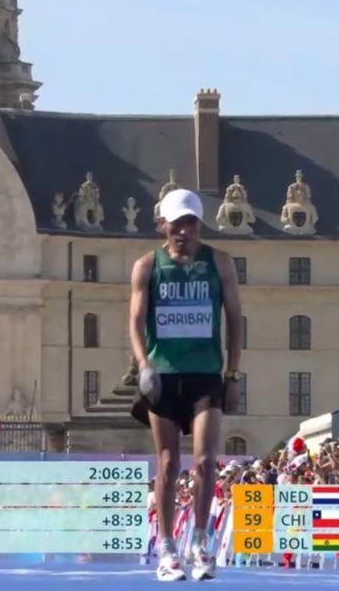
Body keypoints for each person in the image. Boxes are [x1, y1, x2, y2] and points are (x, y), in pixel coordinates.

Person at [128, 188, 242, 582]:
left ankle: (199, 540)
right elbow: (136, 321)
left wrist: (232, 374)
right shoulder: (147, 266)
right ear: (162, 225)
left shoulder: (220, 263)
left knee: (208, 461)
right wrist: (144, 365)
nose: (184, 231)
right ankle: (165, 545)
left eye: (191, 223)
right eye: (177, 224)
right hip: (164, 375)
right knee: (167, 462)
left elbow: (236, 319)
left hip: (206, 373)